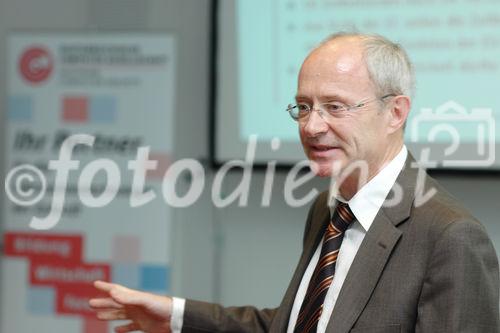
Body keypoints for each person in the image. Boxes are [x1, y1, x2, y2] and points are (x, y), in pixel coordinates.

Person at [89, 32, 499, 333]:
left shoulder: (450, 237)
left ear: (395, 113)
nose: (312, 126)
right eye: (303, 107)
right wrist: (176, 316)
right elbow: (299, 324)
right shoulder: (330, 208)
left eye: (334, 107)